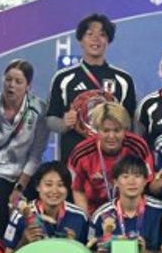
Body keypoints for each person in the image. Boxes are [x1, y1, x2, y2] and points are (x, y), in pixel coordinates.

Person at [46, 13, 138, 161]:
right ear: (81, 40)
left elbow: (132, 123)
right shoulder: (63, 78)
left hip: (113, 159)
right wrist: (64, 124)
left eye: (102, 35)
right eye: (90, 34)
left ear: (108, 41)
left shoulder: (123, 80)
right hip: (74, 157)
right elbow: (50, 119)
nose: (96, 39)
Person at [2, 161, 90, 253]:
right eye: (48, 184)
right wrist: (24, 241)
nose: (54, 191)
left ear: (68, 188)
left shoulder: (79, 217)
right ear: (38, 186)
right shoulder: (20, 216)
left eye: (61, 185)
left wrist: (75, 248)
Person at [0, 58, 48, 235]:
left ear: (28, 86)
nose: (11, 85)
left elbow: (36, 154)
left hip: (24, 176)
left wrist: (19, 188)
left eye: (18, 81)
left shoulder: (38, 110)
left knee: (28, 224)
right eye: (8, 80)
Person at [67, 102, 154, 215]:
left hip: (132, 211)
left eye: (117, 130)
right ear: (97, 130)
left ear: (125, 130)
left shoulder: (138, 147)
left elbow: (147, 182)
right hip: (95, 213)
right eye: (106, 130)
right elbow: (78, 190)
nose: (111, 136)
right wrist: (86, 220)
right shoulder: (80, 153)